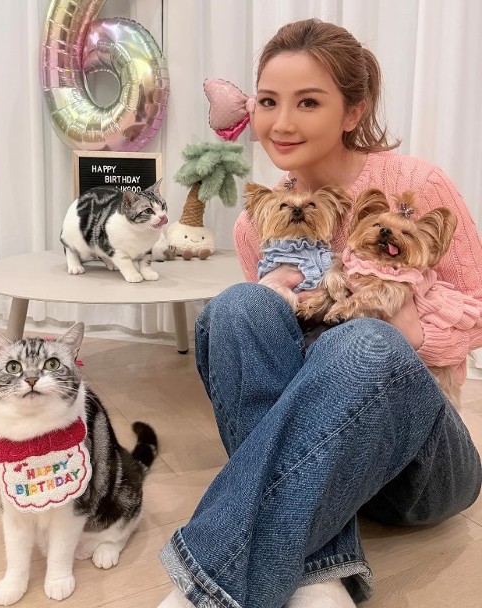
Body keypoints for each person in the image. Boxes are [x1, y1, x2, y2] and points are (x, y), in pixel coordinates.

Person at [156, 17, 482, 608]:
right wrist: (279, 310)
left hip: (421, 468)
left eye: (308, 102)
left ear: (353, 112)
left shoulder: (415, 182)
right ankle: (318, 571)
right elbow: (266, 369)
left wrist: (412, 332)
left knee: (362, 341)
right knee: (239, 307)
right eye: (268, 101)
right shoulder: (257, 222)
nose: (282, 123)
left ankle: (205, 588)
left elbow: (477, 305)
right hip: (326, 474)